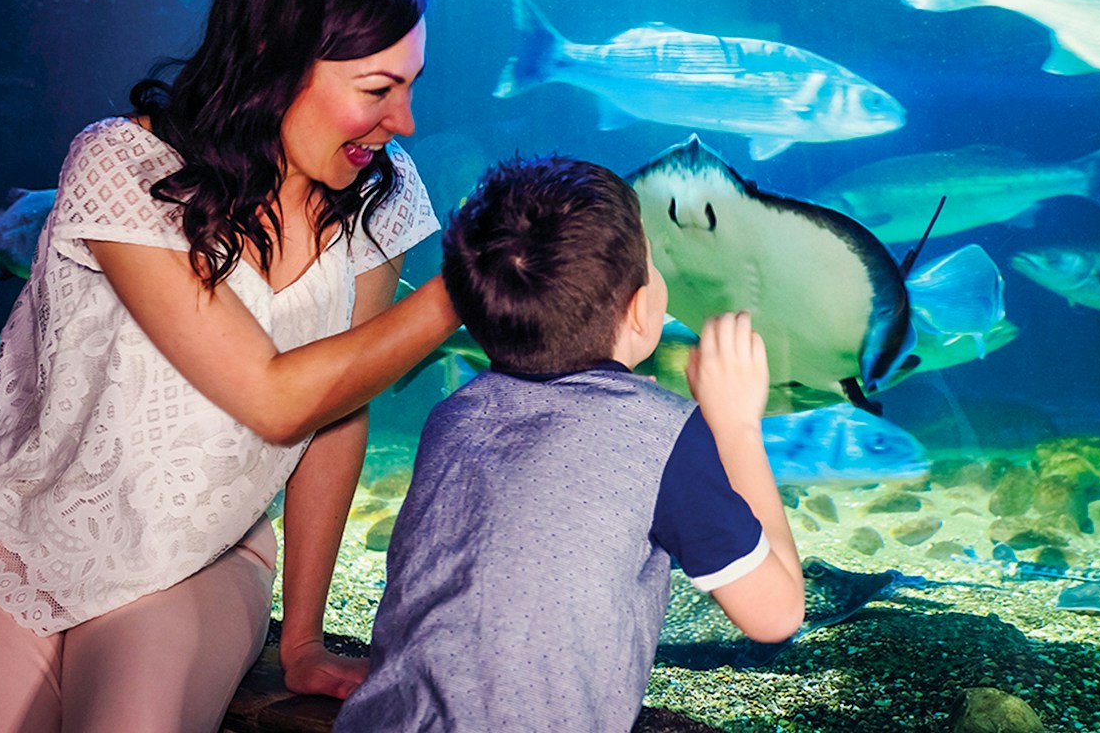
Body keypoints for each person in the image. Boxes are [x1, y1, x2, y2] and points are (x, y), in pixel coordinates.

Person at [0, 0, 459, 733]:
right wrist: (462, 288)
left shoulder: (383, 192)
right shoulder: (120, 161)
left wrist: (302, 639)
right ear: (272, 57)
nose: (403, 120)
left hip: (196, 554)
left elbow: (338, 407)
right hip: (5, 534)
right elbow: (274, 398)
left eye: (410, 85)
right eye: (377, 89)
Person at [334, 156, 804, 732]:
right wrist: (735, 427)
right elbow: (776, 614)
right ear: (641, 310)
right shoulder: (662, 436)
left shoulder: (452, 418)